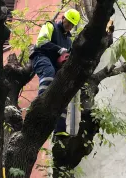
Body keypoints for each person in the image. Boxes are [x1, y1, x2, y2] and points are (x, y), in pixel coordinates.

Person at [30, 9, 81, 139]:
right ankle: (40, 105)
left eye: (72, 25)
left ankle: (60, 129)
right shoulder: (50, 26)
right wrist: (59, 49)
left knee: (63, 90)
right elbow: (41, 42)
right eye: (68, 23)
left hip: (55, 63)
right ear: (63, 18)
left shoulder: (69, 41)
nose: (69, 26)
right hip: (41, 56)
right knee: (48, 72)